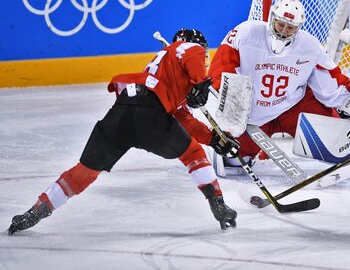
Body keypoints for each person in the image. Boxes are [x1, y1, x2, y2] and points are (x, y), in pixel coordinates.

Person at [8, 28, 239, 234]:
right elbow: (191, 55)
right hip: (151, 115)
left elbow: (183, 118)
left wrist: (212, 138)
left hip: (123, 111)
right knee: (192, 154)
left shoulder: (160, 70)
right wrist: (201, 81)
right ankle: (217, 203)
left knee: (85, 171)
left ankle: (38, 209)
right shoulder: (188, 48)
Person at [208, 0, 350, 165]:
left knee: (338, 139)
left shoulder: (310, 46)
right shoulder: (246, 33)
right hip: (252, 114)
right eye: (281, 24)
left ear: (298, 27)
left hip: (292, 107)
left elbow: (331, 82)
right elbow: (222, 67)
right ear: (272, 18)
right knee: (234, 161)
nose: (284, 31)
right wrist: (233, 114)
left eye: (290, 27)